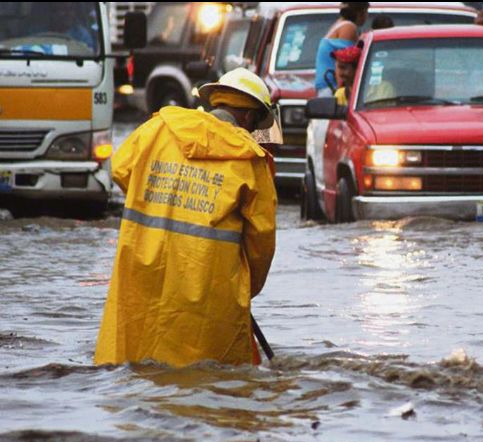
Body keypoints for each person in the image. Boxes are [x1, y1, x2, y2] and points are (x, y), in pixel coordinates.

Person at [94, 68, 279, 368]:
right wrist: (246, 289)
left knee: (139, 369)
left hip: (144, 275)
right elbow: (261, 244)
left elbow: (120, 169)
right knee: (211, 380)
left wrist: (162, 200)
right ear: (248, 118)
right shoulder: (251, 161)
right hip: (208, 290)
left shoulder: (158, 129)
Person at [314, 2, 369, 95]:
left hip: (326, 86)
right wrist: (342, 92)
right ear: (360, 12)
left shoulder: (340, 23)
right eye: (366, 11)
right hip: (333, 88)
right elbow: (345, 61)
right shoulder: (348, 28)